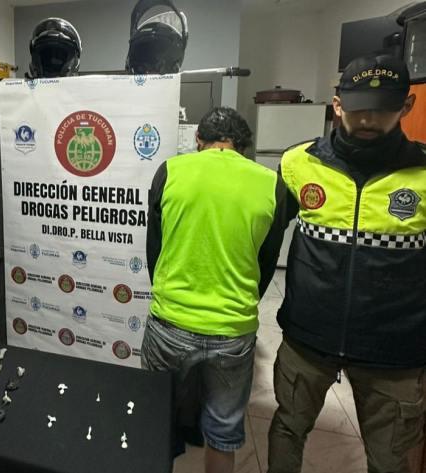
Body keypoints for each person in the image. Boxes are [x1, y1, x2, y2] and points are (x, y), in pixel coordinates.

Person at [268, 54, 425, 473]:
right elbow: (266, 238)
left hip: (394, 350)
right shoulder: (299, 163)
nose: (369, 119)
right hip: (308, 337)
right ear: (338, 105)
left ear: (406, 105)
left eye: (383, 108)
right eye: (358, 108)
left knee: (390, 460)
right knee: (287, 429)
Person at [143, 107, 288, 473]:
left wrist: (167, 292)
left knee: (156, 419)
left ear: (198, 139)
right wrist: (240, 302)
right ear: (243, 145)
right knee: (223, 432)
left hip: (170, 321)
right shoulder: (271, 183)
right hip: (233, 328)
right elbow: (267, 261)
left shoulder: (170, 171)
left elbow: (154, 248)